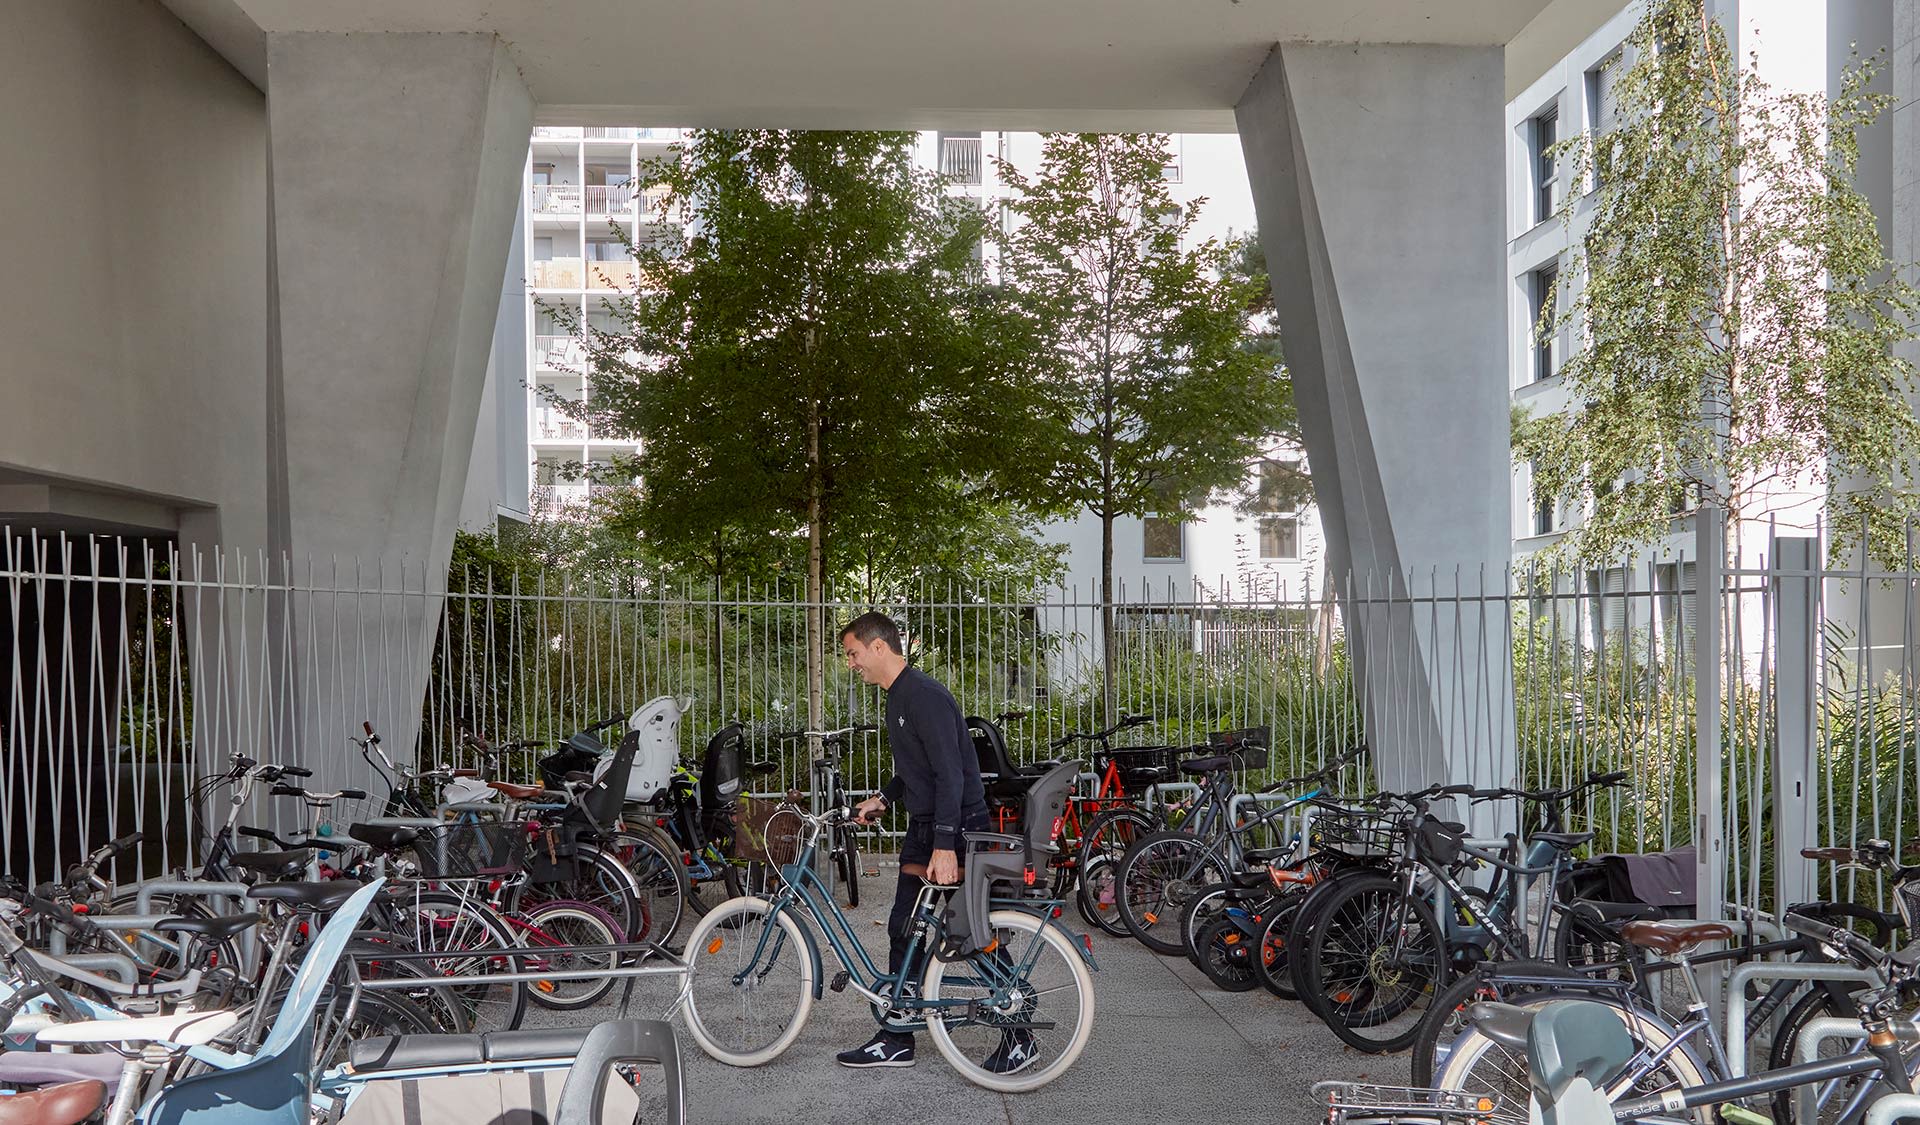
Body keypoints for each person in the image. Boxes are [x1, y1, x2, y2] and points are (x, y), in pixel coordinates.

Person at [833, 611, 1036, 1076]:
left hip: (956, 829)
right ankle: (897, 1035)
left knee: (970, 932)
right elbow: (916, 768)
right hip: (926, 828)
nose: (852, 663)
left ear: (878, 647)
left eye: (853, 653)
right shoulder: (897, 696)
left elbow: (951, 774)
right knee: (903, 928)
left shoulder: (925, 696)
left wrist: (945, 845)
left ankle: (1020, 1034)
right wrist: (884, 798)